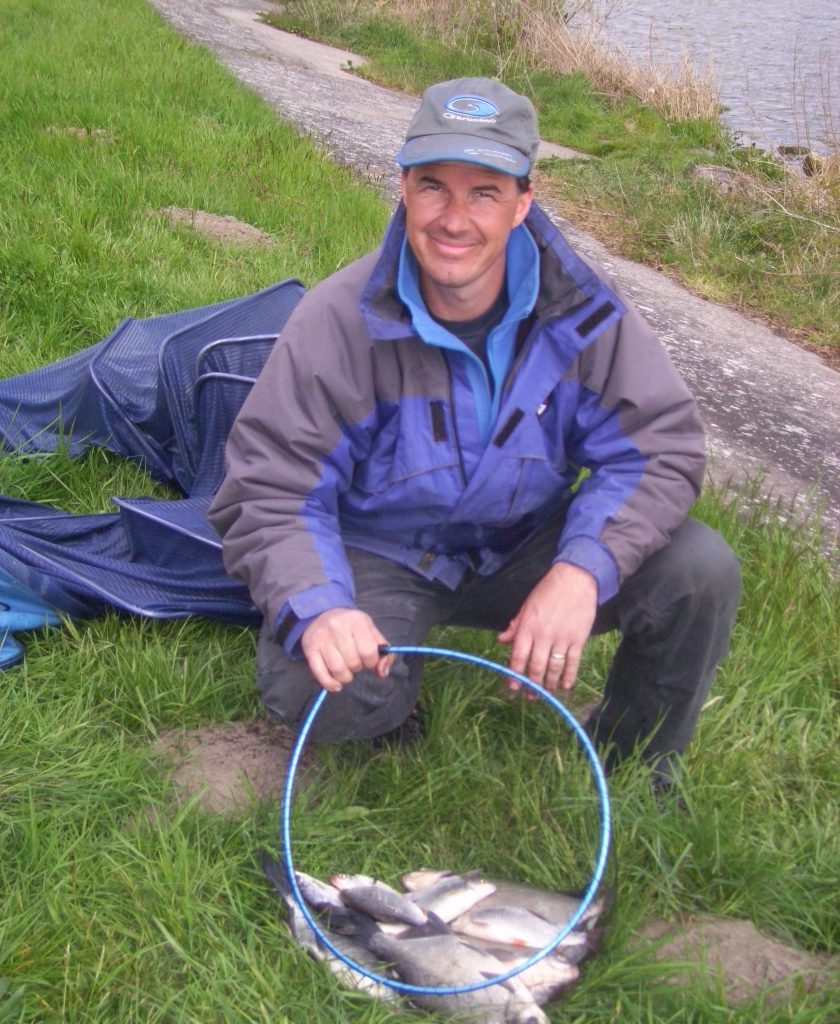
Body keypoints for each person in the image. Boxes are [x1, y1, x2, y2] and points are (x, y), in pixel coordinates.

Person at [208, 77, 741, 786]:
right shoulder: (336, 320)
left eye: (484, 192)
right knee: (322, 697)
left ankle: (635, 765)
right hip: (381, 552)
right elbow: (271, 490)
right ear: (402, 187)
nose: (453, 219)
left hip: (525, 545)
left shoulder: (582, 315)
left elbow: (658, 450)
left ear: (524, 202)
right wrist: (323, 609)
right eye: (434, 187)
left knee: (699, 571)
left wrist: (582, 569)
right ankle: (391, 698)